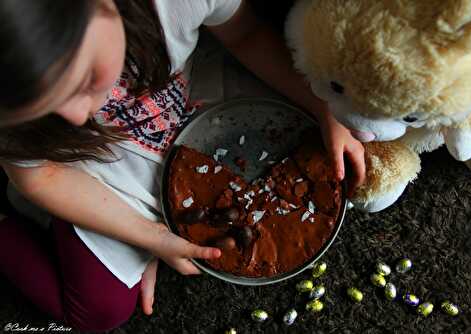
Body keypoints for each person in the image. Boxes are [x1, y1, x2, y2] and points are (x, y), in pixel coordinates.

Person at [0, 0, 366, 331]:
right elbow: (39, 176)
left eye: (84, 80)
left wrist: (322, 108)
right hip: (88, 167)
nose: (80, 115)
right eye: (48, 112)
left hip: (199, 91)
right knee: (99, 312)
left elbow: (247, 34)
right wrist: (150, 235)